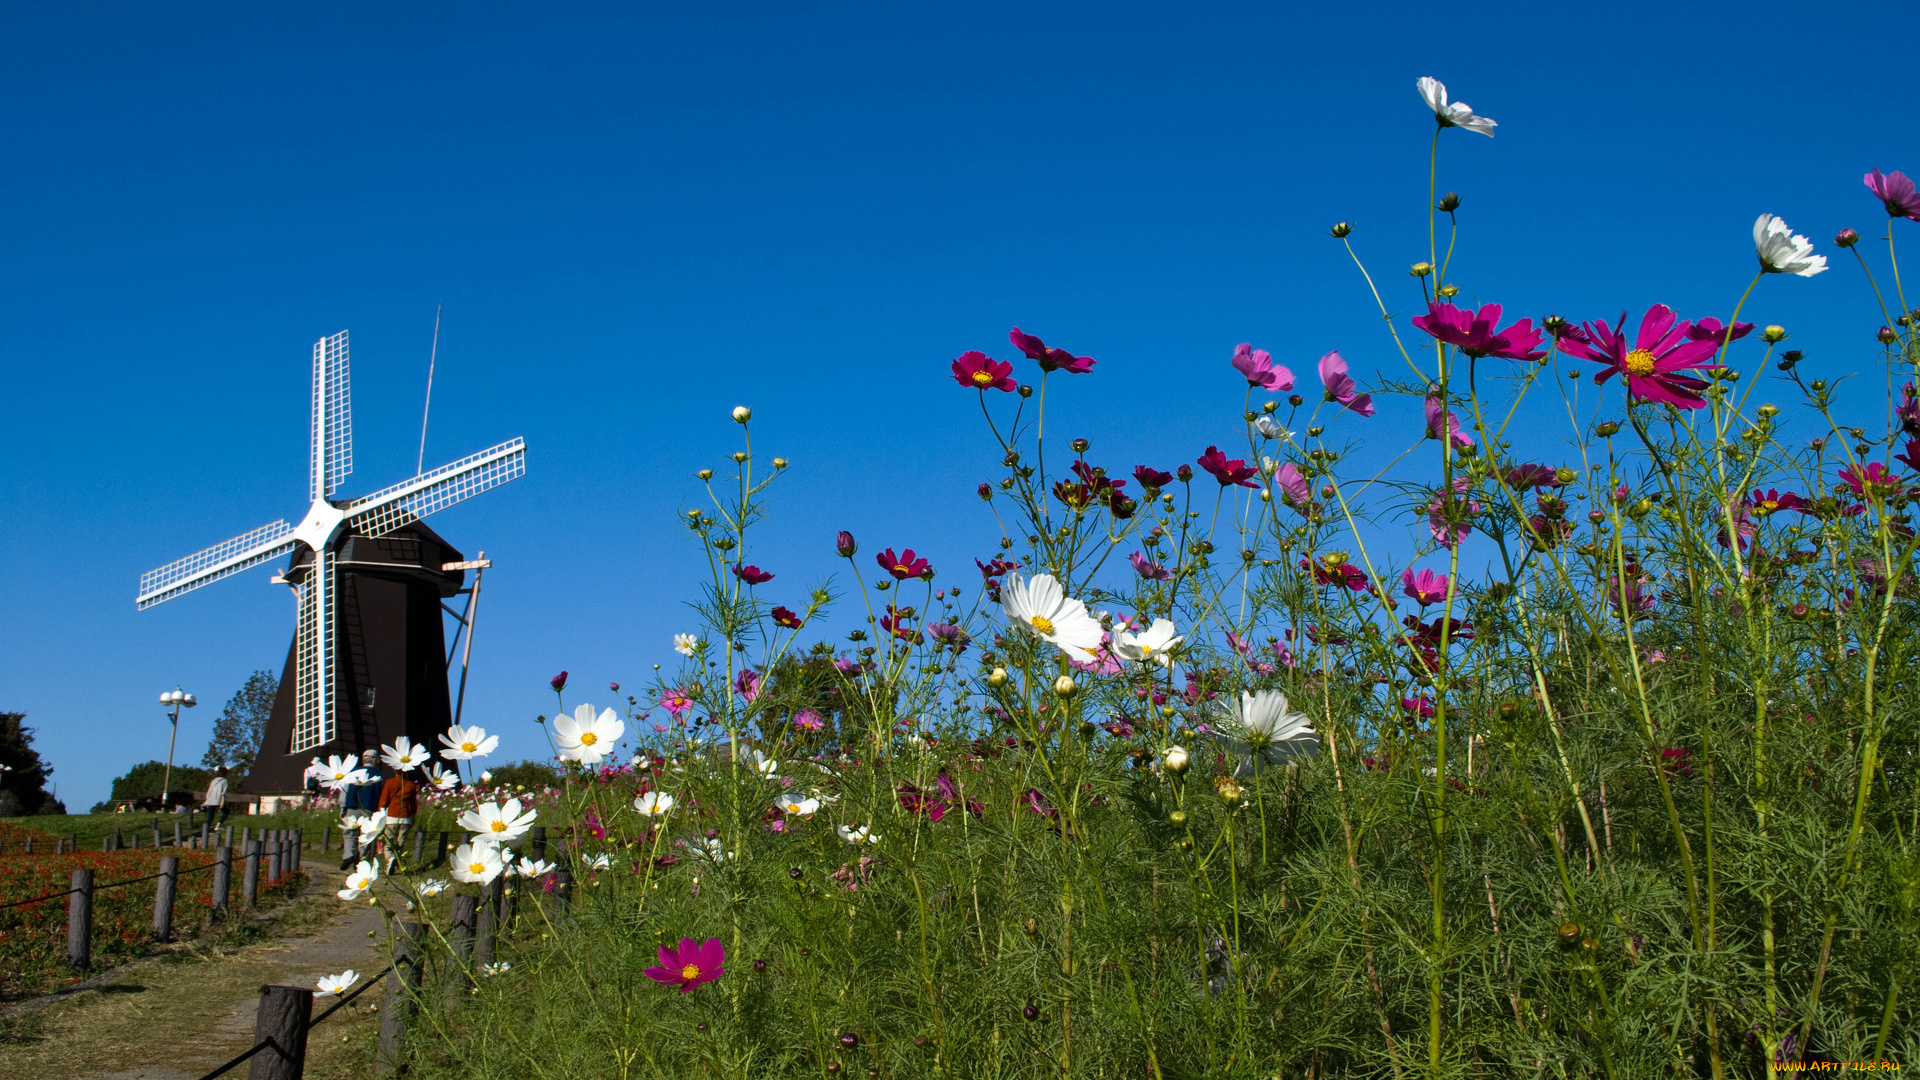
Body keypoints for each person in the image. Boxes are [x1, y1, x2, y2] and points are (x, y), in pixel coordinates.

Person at [339, 750, 384, 871]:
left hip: (351, 805)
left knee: (349, 832)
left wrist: (343, 807)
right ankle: (361, 858)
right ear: (375, 760)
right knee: (366, 834)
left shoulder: (353, 772)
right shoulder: (378, 775)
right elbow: (381, 793)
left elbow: (345, 789)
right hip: (368, 807)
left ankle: (349, 855)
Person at [376, 767, 420, 874]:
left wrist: (380, 814)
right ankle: (400, 864)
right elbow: (413, 804)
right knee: (401, 843)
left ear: (395, 771)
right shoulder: (411, 785)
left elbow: (383, 801)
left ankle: (390, 859)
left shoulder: (390, 783)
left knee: (389, 842)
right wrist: (412, 815)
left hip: (391, 817)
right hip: (405, 818)